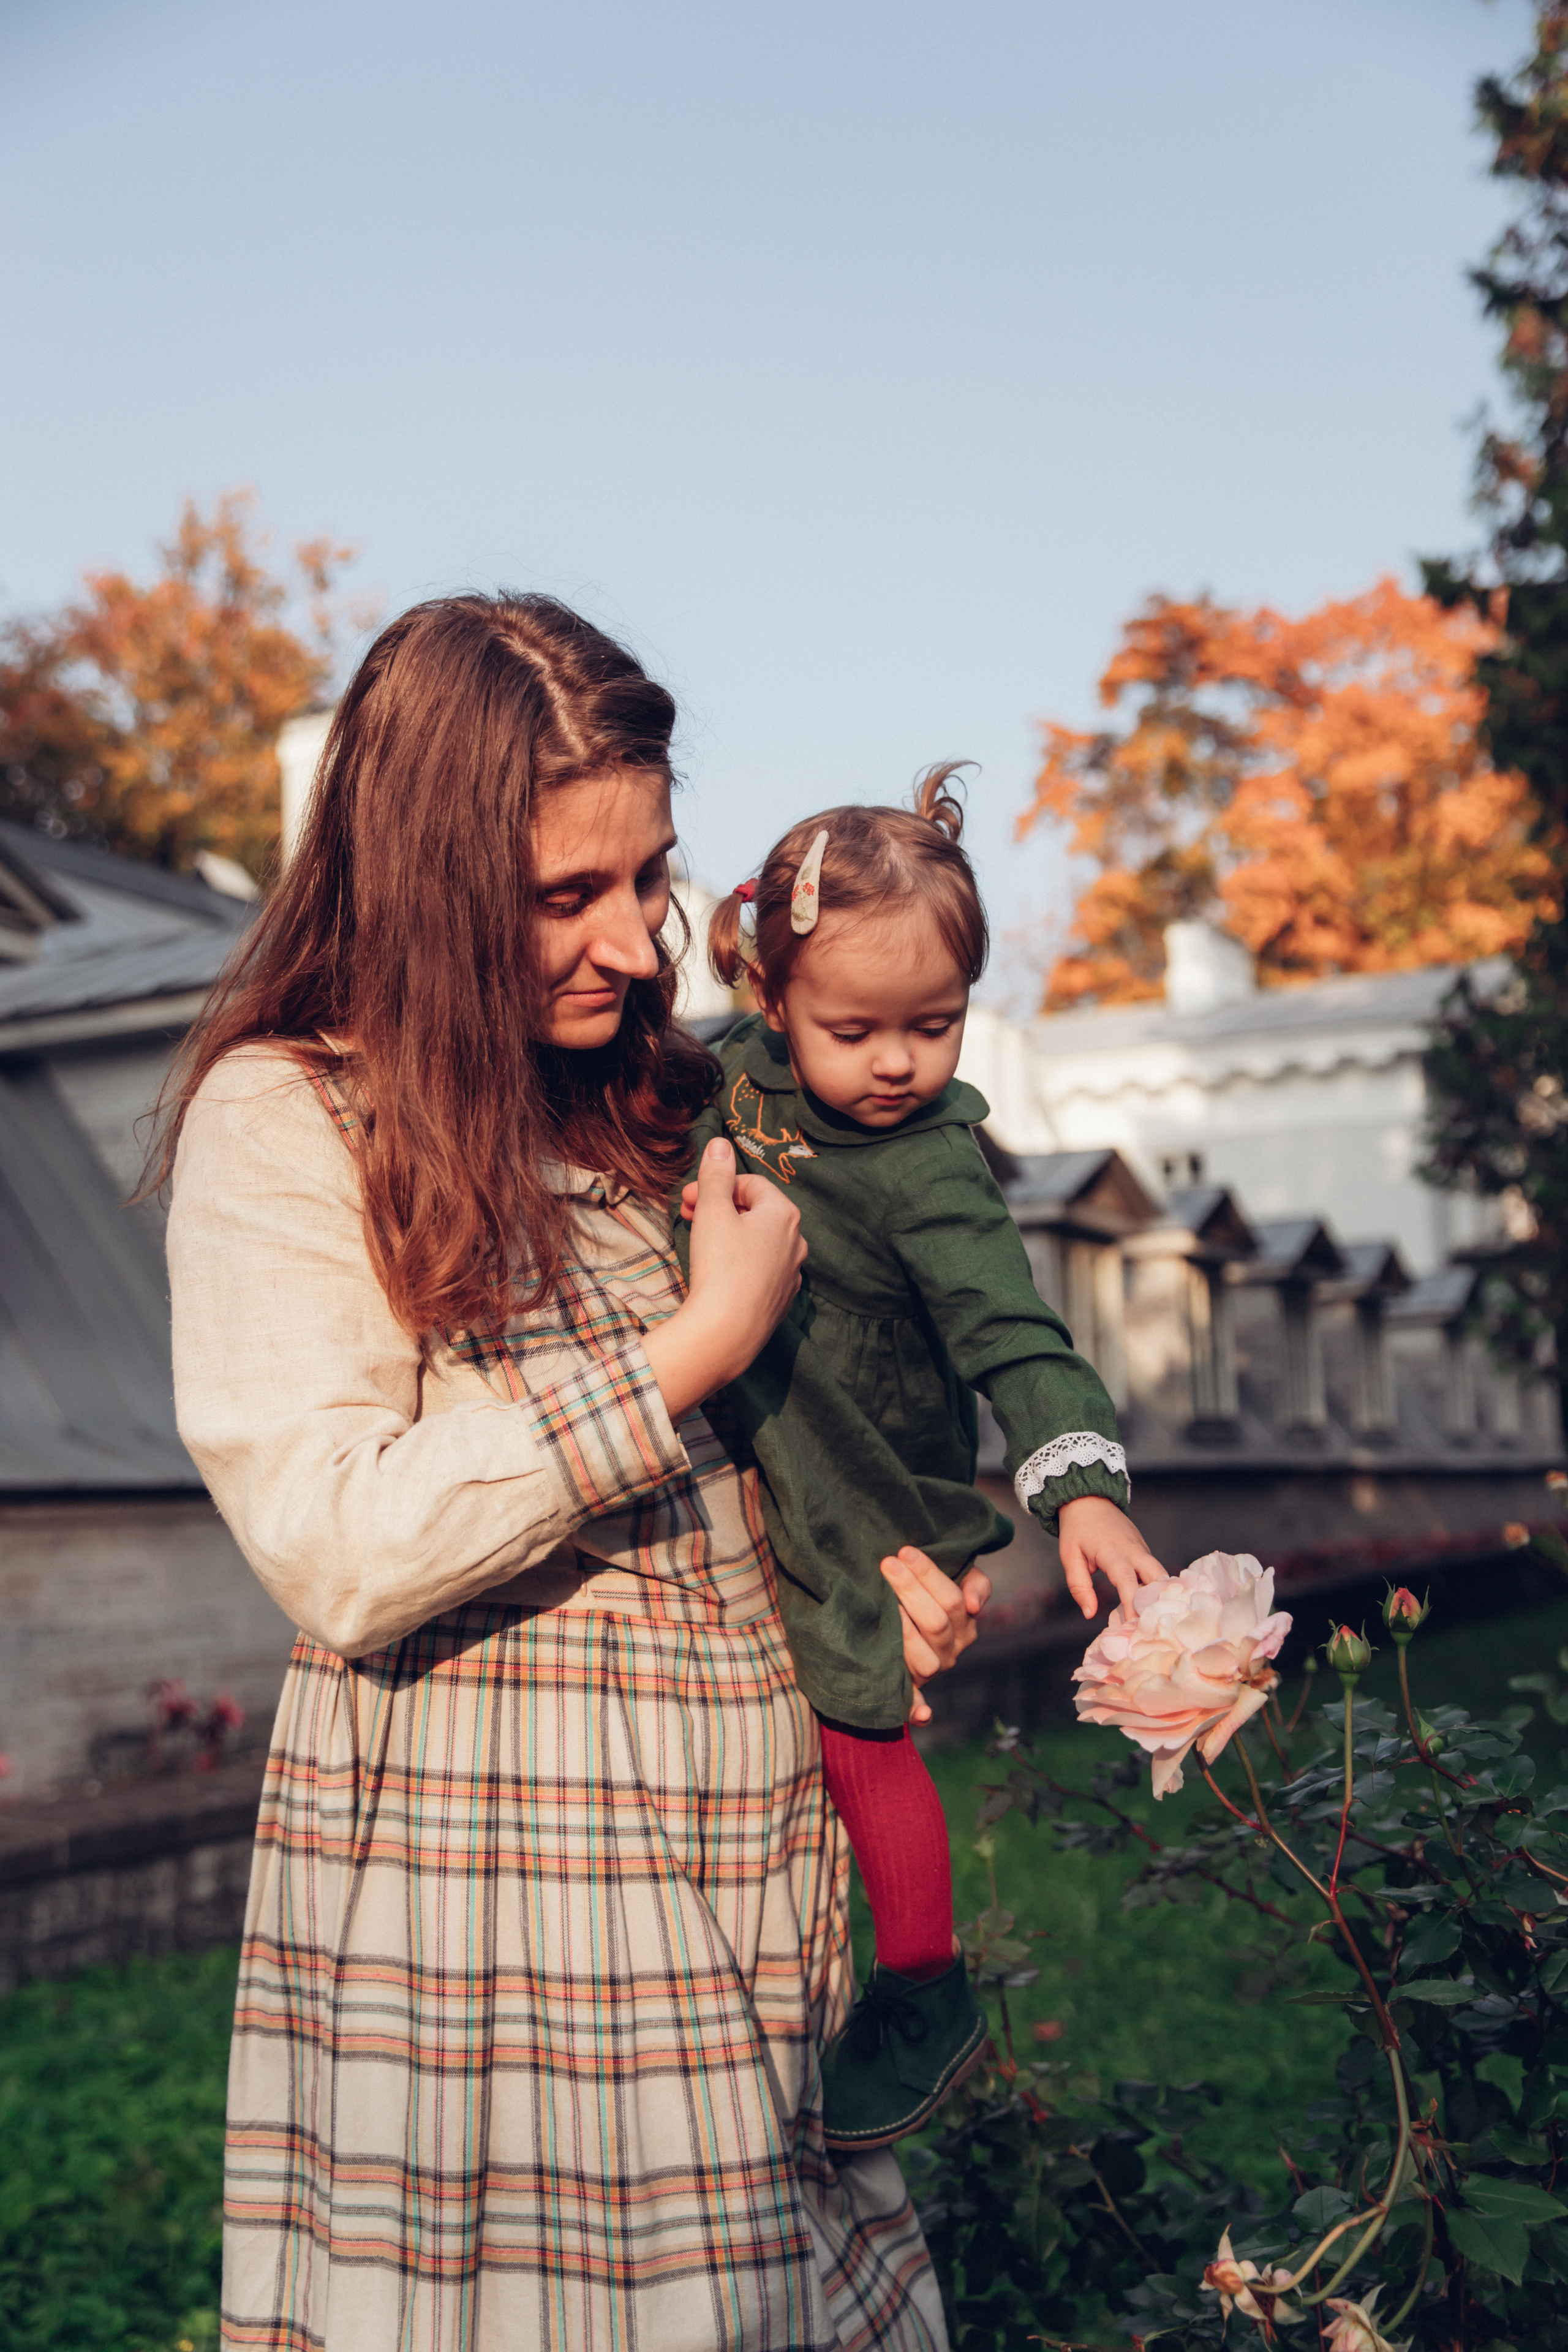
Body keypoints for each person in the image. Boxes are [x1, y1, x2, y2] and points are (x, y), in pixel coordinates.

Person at [157, 595, 978, 2351]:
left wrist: (874, 1571)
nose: (631, 939)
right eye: (564, 895)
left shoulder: (660, 1104)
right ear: (429, 881)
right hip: (501, 1914)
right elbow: (336, 1538)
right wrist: (694, 1346)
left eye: (648, 875)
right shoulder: (291, 1115)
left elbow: (794, 1445)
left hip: (747, 1866)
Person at [674, 768, 1168, 2151]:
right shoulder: (725, 1073)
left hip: (873, 1482)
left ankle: (923, 1980)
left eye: (934, 1026)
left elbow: (1016, 1333)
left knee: (853, 1719)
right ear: (770, 1001)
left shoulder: (932, 1167)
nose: (896, 1061)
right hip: (772, 1432)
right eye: (855, 1029)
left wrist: (1077, 1491)